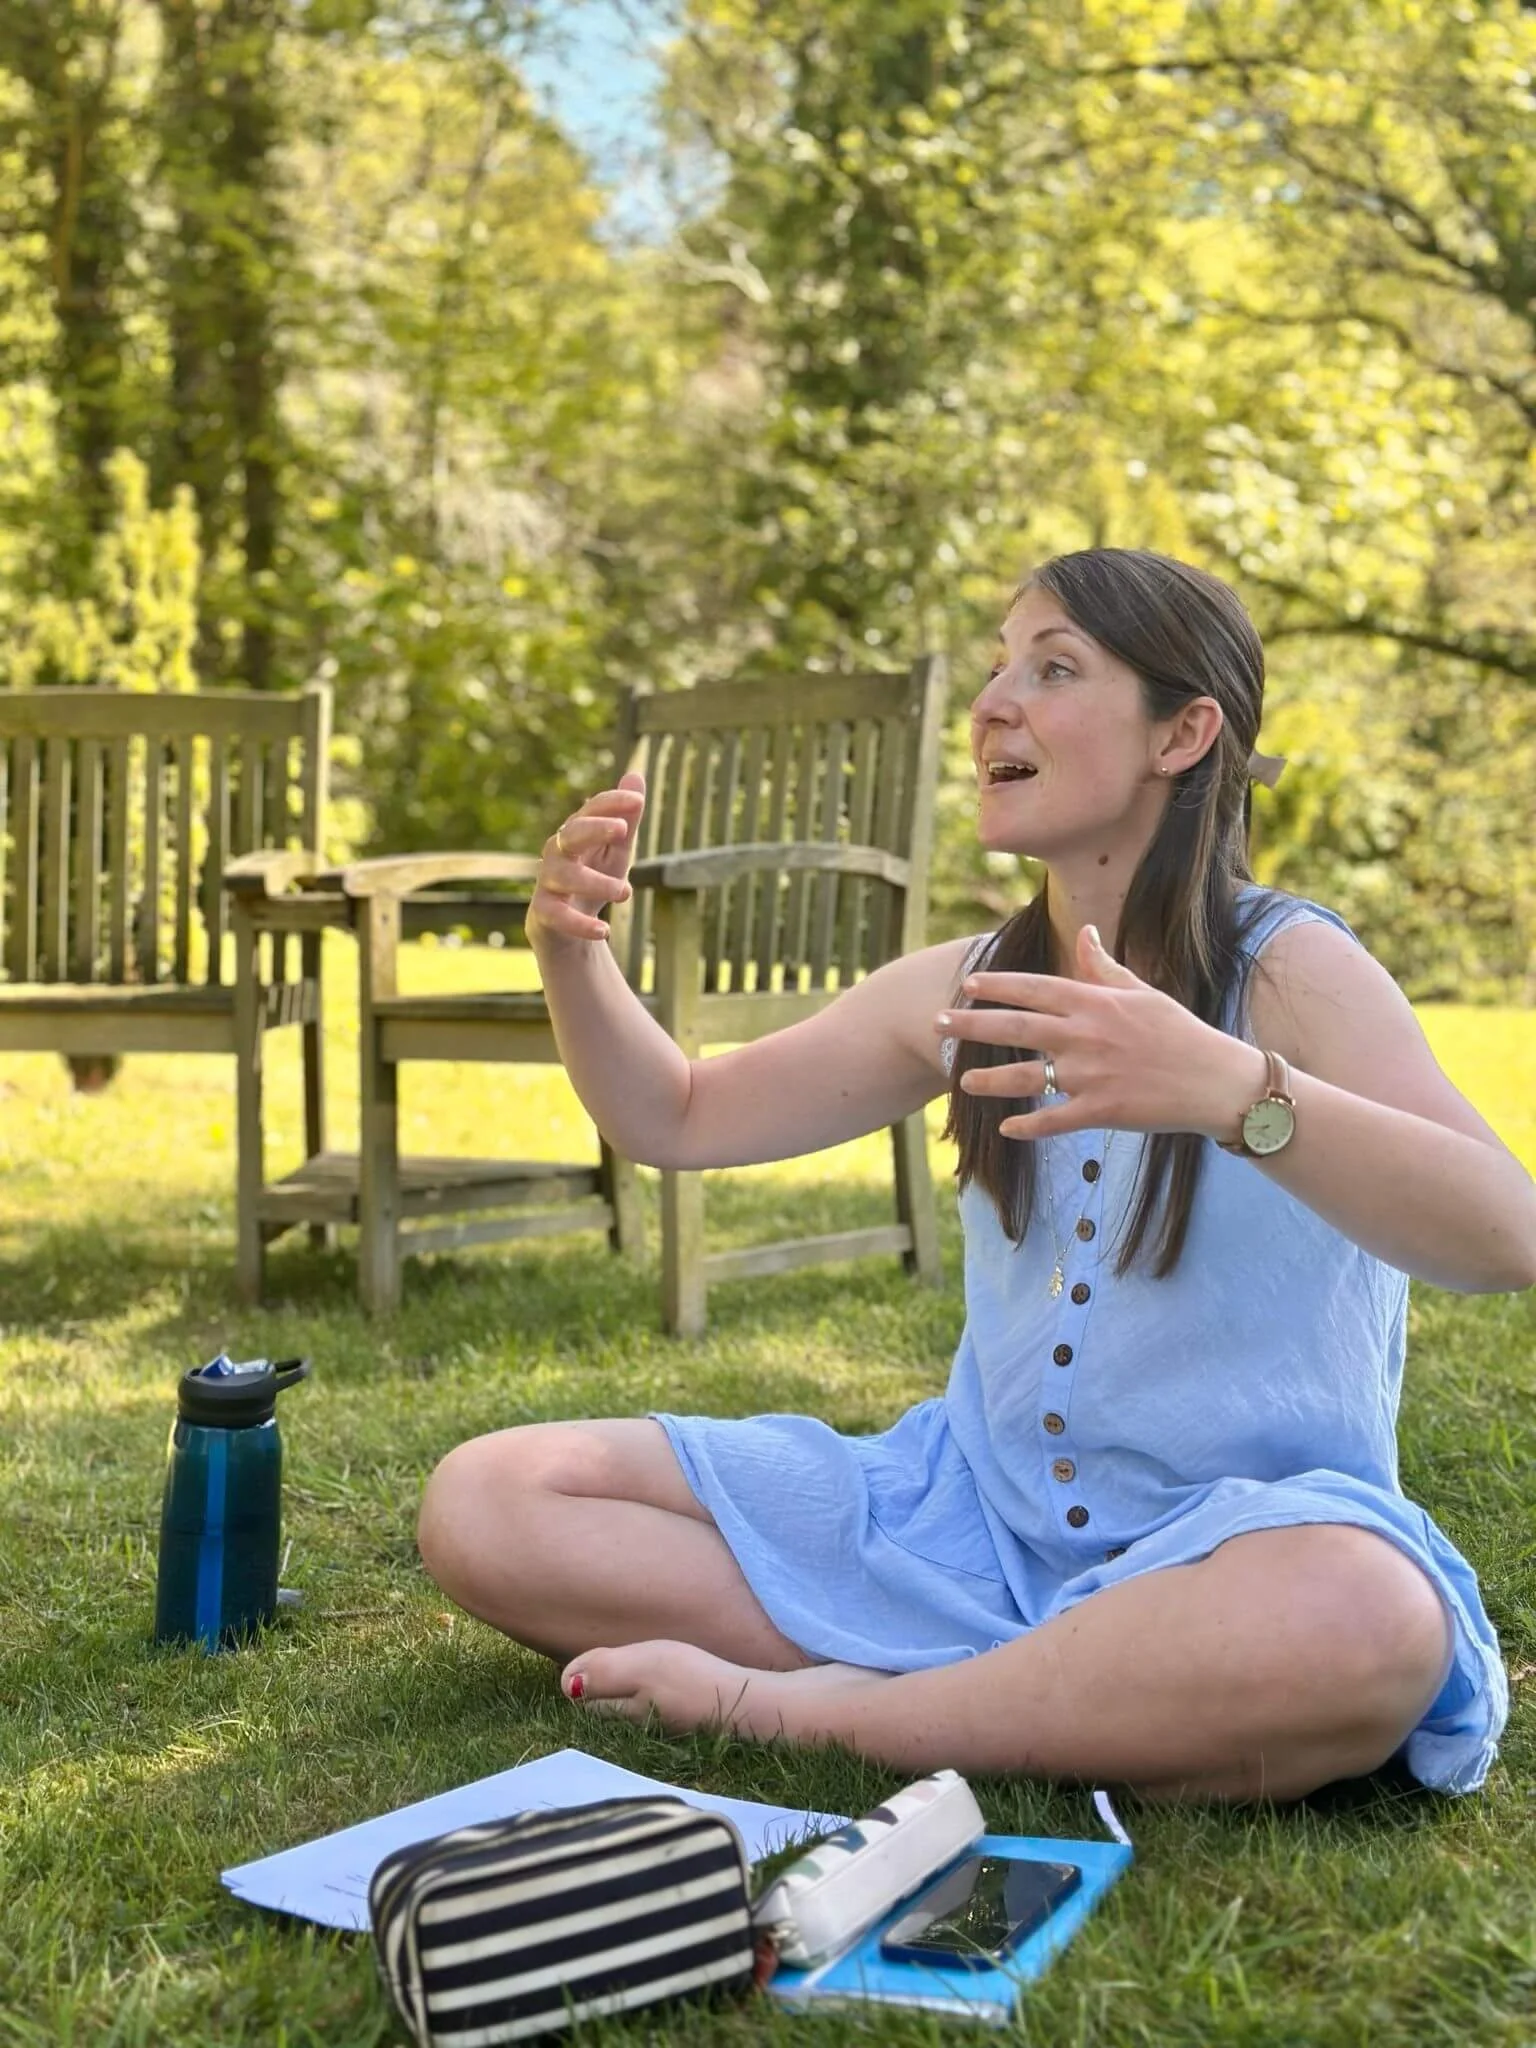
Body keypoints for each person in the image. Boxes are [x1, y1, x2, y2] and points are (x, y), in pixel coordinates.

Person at [417, 547, 1533, 1803]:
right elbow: (676, 1111)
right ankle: (1064, 1695)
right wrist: (573, 953)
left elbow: (1509, 1233)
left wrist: (1233, 1092)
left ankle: (831, 1712)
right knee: (490, 1497)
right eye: (1001, 663)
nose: (994, 700)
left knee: (1371, 1618)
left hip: (1233, 1551)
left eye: (1052, 668)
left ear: (1186, 731)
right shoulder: (974, 985)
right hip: (961, 1529)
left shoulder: (1288, 970)